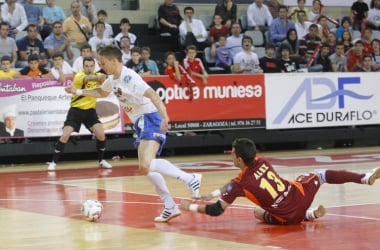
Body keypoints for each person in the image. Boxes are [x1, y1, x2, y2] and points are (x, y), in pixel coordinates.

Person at [65, 45, 202, 223]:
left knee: (146, 163)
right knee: (145, 168)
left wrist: (165, 117)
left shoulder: (129, 77)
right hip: (140, 121)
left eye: (103, 62)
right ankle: (170, 206)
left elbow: (153, 94)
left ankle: (190, 178)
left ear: (114, 61)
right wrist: (78, 91)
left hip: (150, 117)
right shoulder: (112, 78)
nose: (100, 65)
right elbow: (101, 92)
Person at [181, 138, 380, 225]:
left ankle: (307, 216)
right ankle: (363, 178)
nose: (230, 156)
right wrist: (214, 193)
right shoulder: (261, 160)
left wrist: (188, 206)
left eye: (232, 154)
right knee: (321, 174)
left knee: (257, 213)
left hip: (289, 218)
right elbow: (231, 184)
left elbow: (217, 210)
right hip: (301, 196)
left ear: (239, 160)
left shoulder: (240, 184)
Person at [47, 56, 111, 171]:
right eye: (87, 66)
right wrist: (101, 77)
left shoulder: (97, 75)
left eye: (91, 66)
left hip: (90, 111)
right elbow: (90, 78)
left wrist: (105, 77)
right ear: (83, 66)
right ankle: (53, 162)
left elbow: (103, 81)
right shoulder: (80, 76)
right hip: (76, 110)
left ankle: (101, 160)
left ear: (94, 66)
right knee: (65, 135)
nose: (89, 68)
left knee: (101, 134)